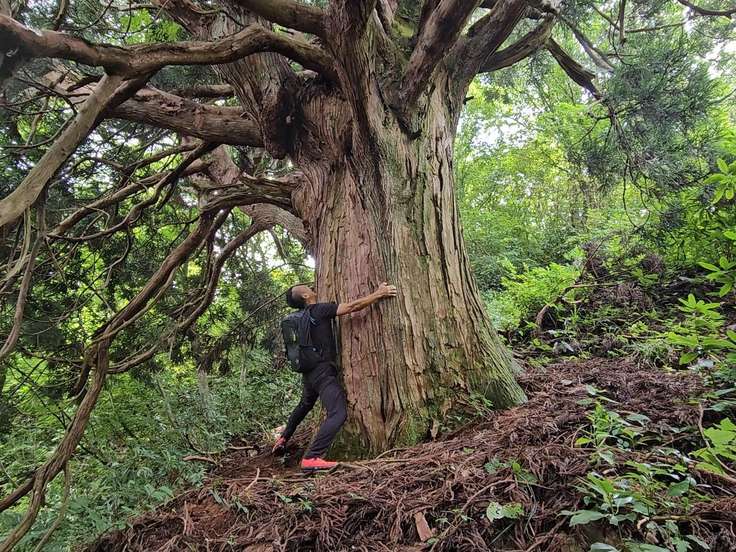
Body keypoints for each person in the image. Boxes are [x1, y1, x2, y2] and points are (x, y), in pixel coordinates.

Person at [273, 281, 398, 472]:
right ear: (305, 296)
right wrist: (379, 293)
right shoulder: (318, 310)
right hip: (322, 372)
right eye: (305, 288)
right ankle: (312, 458)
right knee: (338, 413)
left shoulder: (301, 318)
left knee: (304, 404)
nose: (309, 287)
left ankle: (283, 438)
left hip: (309, 373)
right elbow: (352, 307)